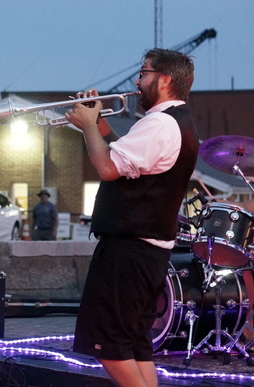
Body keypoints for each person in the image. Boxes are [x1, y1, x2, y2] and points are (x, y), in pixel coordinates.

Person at [65, 48, 198, 386]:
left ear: (164, 80)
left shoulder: (159, 123)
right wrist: (99, 124)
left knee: (109, 345)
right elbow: (126, 157)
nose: (137, 82)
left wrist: (87, 127)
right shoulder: (176, 121)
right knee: (135, 345)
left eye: (143, 73)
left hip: (130, 250)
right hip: (147, 251)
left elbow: (108, 168)